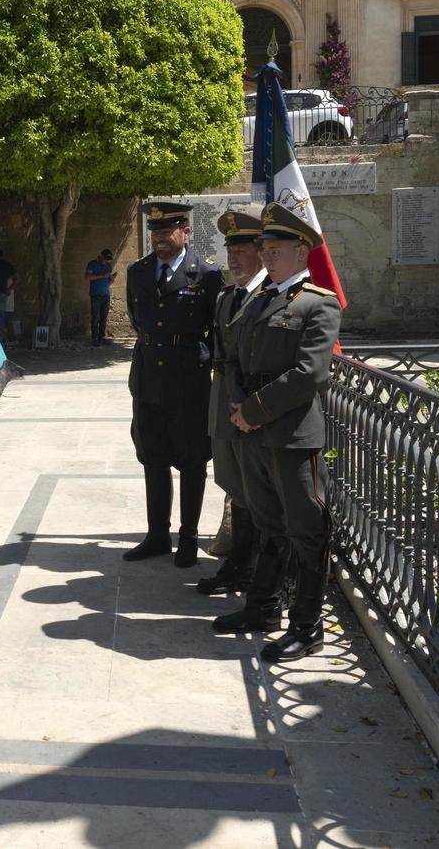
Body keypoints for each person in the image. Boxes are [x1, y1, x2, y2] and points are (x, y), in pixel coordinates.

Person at [229, 202, 342, 663]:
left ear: (302, 250)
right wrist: (239, 407)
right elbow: (234, 355)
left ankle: (307, 627)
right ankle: (262, 608)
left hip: (293, 435)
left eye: (275, 248)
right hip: (253, 432)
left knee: (306, 531)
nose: (266, 255)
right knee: (267, 523)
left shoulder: (319, 303)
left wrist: (253, 409)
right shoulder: (260, 298)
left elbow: (310, 373)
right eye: (264, 248)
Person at [123, 200, 222, 567]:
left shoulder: (206, 275)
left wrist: (200, 362)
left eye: (166, 232)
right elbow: (137, 319)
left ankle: (189, 537)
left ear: (186, 231)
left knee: (193, 461)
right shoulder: (139, 272)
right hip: (148, 379)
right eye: (155, 233)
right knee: (153, 457)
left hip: (189, 381)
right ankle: (157, 535)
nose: (159, 240)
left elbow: (217, 329)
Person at [201, 206, 270, 632]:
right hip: (223, 402)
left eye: (242, 249)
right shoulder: (228, 297)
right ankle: (237, 567)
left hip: (254, 409)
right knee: (232, 486)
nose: (233, 257)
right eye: (230, 249)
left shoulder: (270, 297)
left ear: (263, 252)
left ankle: (254, 573)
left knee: (256, 493)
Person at [84, 248, 117, 346]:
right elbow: (87, 277)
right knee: (95, 317)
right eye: (105, 259)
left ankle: (101, 337)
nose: (106, 261)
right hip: (96, 295)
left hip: (106, 295)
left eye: (108, 259)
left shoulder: (108, 266)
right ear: (101, 256)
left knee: (104, 317)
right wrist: (103, 275)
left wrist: (112, 279)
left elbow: (108, 281)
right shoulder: (92, 264)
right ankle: (94, 338)